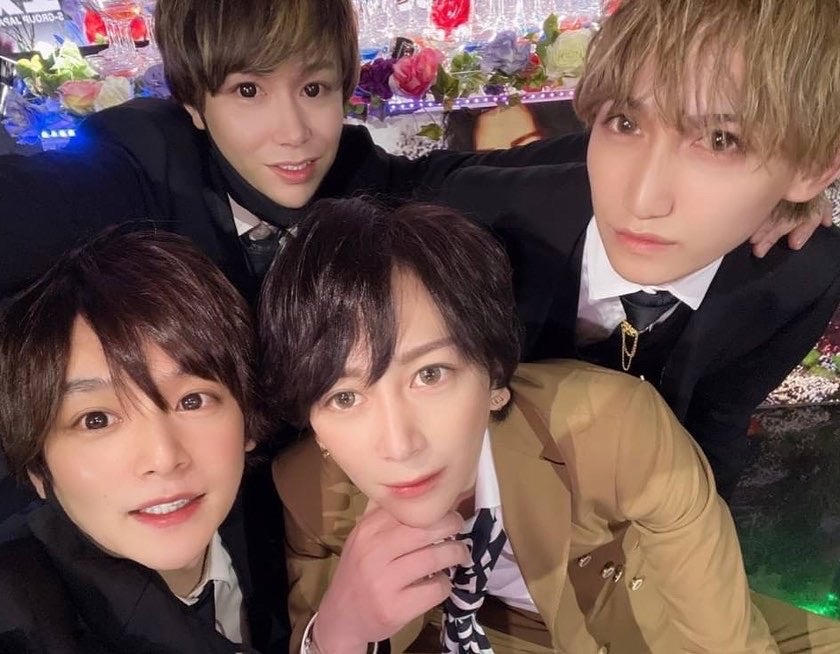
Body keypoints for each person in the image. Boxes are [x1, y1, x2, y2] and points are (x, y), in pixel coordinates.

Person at [261, 198, 840, 653]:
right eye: (344, 397)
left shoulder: (613, 426)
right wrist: (336, 634)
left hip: (647, 616)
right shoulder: (308, 493)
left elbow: (722, 639)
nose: (399, 444)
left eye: (430, 374)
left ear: (493, 376)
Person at [436, 0, 840, 499]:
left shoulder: (801, 275)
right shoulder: (480, 218)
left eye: (721, 140)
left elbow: (716, 426)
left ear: (813, 170)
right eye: (625, 122)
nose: (642, 200)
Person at [0, 228, 289, 652]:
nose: (163, 457)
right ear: (38, 469)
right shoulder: (23, 615)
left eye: (192, 400)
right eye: (96, 419)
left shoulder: (284, 509)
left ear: (247, 416)